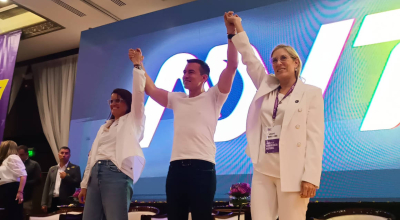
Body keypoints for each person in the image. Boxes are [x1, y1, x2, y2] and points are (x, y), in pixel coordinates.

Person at [128, 11, 239, 220]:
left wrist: (231, 33)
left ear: (204, 78)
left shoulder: (215, 96)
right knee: (175, 216)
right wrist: (138, 64)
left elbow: (232, 66)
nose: (185, 75)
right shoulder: (177, 98)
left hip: (202, 168)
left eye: (191, 72)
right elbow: (150, 89)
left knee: (201, 216)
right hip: (176, 168)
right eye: (184, 72)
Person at [226, 13, 325, 220]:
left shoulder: (311, 93)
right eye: (274, 60)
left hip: (294, 172)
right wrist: (236, 29)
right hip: (263, 169)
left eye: (283, 58)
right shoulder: (267, 86)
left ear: (296, 62)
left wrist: (311, 177)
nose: (278, 63)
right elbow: (250, 60)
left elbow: (315, 138)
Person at [78, 59, 146, 220]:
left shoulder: (133, 120)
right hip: (95, 174)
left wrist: (137, 66)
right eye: (112, 100)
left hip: (116, 173)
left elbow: (138, 94)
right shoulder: (104, 127)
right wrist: (84, 185)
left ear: (128, 103)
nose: (114, 103)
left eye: (118, 100)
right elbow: (92, 157)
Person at [41, 147, 81, 213]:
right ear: (58, 154)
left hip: (67, 201)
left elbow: (78, 184)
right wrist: (44, 203)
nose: (64, 155)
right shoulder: (52, 169)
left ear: (69, 155)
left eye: (66, 153)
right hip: (53, 200)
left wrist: (66, 177)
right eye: (62, 153)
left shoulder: (75, 168)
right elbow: (47, 186)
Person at [0, 141, 27, 220]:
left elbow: (23, 175)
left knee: (12, 215)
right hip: (4, 188)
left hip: (11, 189)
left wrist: (20, 192)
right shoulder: (5, 160)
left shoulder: (13, 157)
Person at [18, 145, 41, 214]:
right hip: (15, 196)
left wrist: (23, 182)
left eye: (22, 155)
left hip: (28, 196)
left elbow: (38, 180)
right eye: (18, 155)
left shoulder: (34, 164)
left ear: (27, 154)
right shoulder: (15, 164)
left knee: (26, 215)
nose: (19, 157)